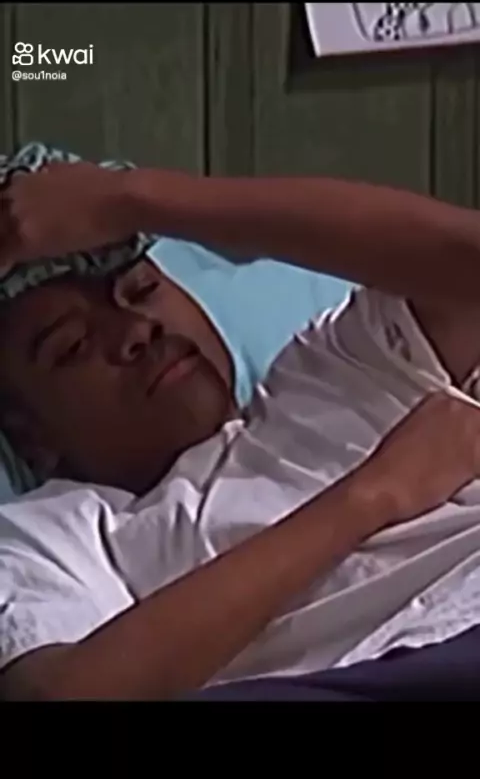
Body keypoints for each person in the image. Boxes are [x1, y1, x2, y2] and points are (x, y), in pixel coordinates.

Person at [2, 163, 480, 700]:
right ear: (31, 433)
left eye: (141, 291)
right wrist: (372, 496)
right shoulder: (51, 536)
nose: (137, 330)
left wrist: (130, 199)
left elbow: (466, 259)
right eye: (73, 345)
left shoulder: (339, 369)